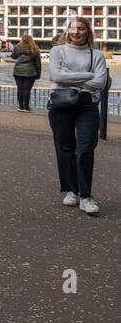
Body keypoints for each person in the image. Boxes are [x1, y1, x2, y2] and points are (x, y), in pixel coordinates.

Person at [47, 18, 108, 215]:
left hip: (87, 106)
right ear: (67, 31)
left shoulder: (97, 55)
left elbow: (101, 83)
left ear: (87, 32)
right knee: (65, 149)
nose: (76, 32)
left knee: (85, 148)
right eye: (72, 28)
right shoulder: (58, 51)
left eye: (81, 28)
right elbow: (56, 77)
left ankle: (85, 195)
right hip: (61, 104)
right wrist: (88, 75)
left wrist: (71, 80)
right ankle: (71, 190)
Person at [11, 34, 42, 111]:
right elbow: (38, 64)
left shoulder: (18, 48)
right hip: (30, 72)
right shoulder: (35, 49)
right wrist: (38, 74)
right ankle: (26, 107)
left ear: (22, 40)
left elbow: (13, 56)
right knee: (27, 90)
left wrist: (17, 48)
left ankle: (20, 107)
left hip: (18, 71)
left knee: (20, 89)